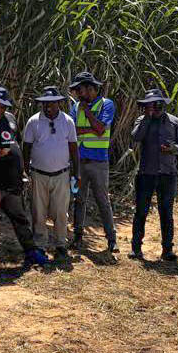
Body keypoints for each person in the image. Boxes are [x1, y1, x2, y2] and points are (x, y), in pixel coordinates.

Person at [0, 86, 49, 269]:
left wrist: (21, 171)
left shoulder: (10, 119)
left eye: (2, 106)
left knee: (19, 216)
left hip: (11, 181)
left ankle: (30, 252)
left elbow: (16, 145)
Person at [128, 88, 178, 261]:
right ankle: (136, 248)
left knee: (166, 213)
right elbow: (136, 137)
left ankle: (167, 250)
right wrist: (147, 117)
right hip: (146, 173)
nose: (155, 108)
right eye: (151, 105)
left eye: (157, 105)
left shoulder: (175, 122)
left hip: (167, 174)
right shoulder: (142, 120)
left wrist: (173, 149)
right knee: (141, 212)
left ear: (163, 105)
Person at [22, 86, 79, 258]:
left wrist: (77, 173)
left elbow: (74, 149)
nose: (48, 107)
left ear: (59, 103)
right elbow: (26, 148)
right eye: (44, 104)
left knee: (61, 212)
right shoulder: (33, 121)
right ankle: (40, 244)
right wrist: (25, 172)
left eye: (51, 104)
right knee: (38, 211)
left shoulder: (67, 121)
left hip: (61, 174)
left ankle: (61, 244)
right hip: (38, 174)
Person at [68, 71, 118, 253]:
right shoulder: (74, 108)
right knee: (78, 199)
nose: (78, 94)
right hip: (79, 162)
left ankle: (111, 240)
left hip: (99, 162)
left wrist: (87, 113)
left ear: (91, 89)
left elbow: (99, 129)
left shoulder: (107, 104)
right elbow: (73, 131)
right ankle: (77, 238)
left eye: (79, 90)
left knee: (103, 201)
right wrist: (90, 127)